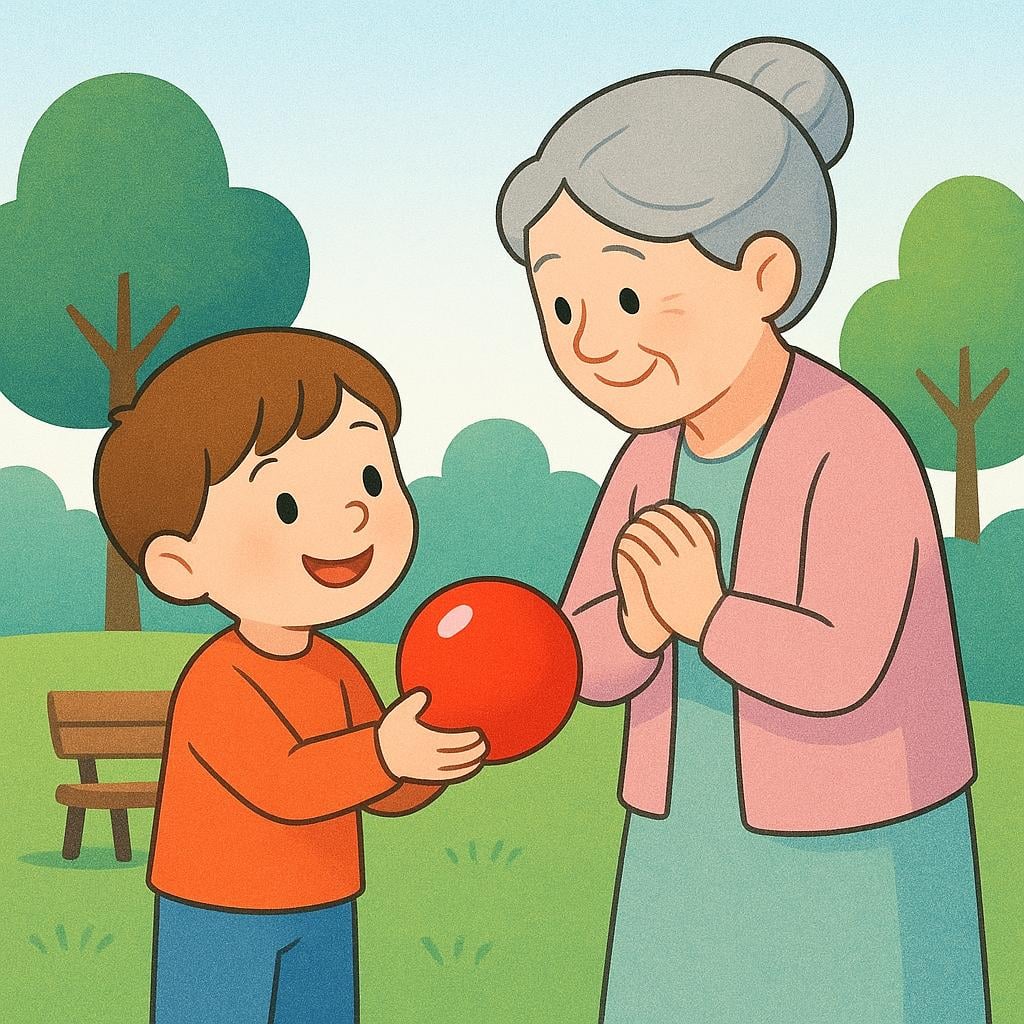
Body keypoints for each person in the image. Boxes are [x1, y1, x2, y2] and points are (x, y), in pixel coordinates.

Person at [497, 37, 988, 1023]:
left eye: (627, 294)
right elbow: (580, 650)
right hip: (686, 840)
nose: (589, 342)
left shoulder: (850, 444)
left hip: (851, 841)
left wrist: (703, 612)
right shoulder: (647, 459)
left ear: (764, 274)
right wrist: (636, 629)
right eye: (560, 303)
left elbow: (842, 665)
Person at [94, 327, 488, 1024]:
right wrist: (383, 752)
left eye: (371, 478)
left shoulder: (336, 667)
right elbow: (285, 783)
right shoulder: (218, 680)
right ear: (179, 568)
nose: (355, 511)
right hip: (218, 911)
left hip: (326, 901)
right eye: (286, 504)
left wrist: (427, 759)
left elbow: (378, 789)